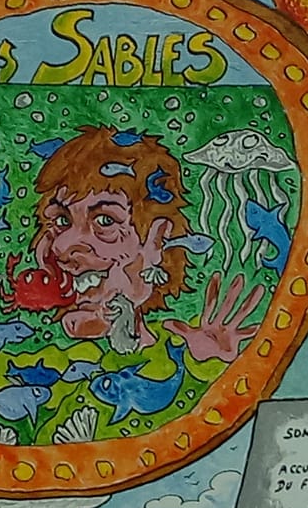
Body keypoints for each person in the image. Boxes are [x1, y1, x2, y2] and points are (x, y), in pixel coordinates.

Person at [27, 127, 192, 345]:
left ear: (157, 241)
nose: (62, 246)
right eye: (62, 221)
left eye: (105, 221)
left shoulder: (172, 349)